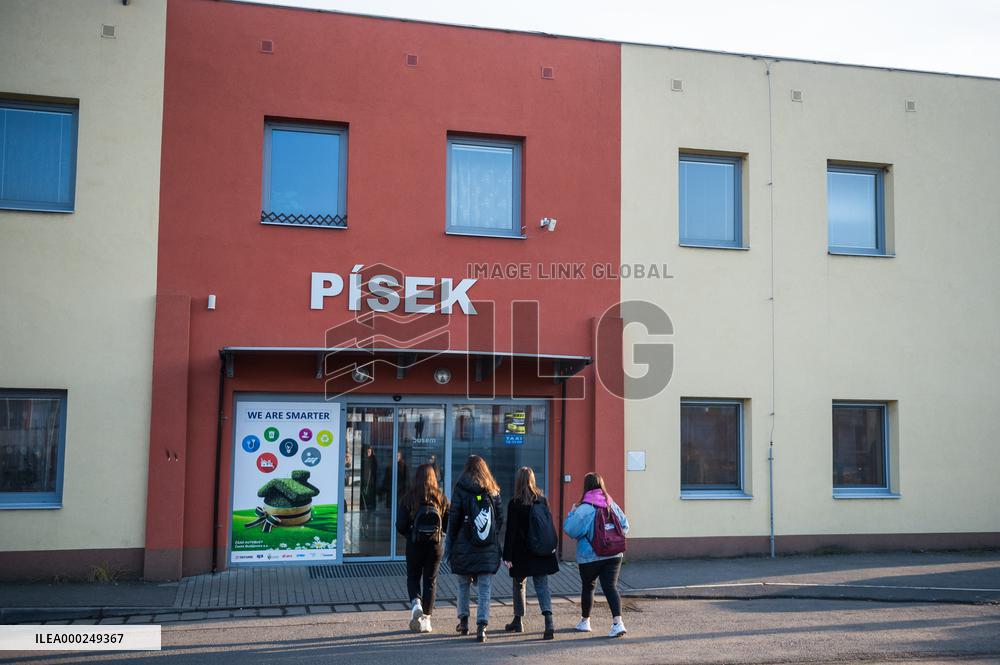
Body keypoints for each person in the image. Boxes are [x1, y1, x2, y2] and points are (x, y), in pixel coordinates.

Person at [563, 472, 630, 638]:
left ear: (586, 487)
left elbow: (571, 530)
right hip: (614, 554)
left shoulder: (584, 508)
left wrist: (571, 513)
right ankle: (618, 623)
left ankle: (585, 622)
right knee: (610, 587)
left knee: (588, 586)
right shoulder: (611, 504)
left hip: (589, 556)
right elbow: (625, 526)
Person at [446, 455, 503, 643]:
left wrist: (451, 544)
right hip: (487, 547)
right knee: (485, 588)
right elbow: (499, 519)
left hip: (464, 546)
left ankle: (463, 622)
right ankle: (482, 626)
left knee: (463, 585)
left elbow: (453, 519)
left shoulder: (461, 488)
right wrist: (488, 535)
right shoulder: (493, 490)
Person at [502, 467, 559, 640]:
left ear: (518, 481)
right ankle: (549, 621)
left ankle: (518, 620)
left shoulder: (515, 503)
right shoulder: (541, 500)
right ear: (533, 480)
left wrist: (507, 556)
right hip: (541, 552)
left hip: (521, 553)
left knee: (519, 584)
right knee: (542, 586)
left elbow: (510, 531)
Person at [396, 463, 448, 633]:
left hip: (415, 544)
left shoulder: (409, 497)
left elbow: (400, 525)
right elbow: (448, 524)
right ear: (434, 477)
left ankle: (415, 603)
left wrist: (410, 535)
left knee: (413, 576)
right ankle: (427, 620)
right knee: (430, 581)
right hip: (435, 546)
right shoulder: (441, 498)